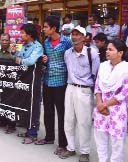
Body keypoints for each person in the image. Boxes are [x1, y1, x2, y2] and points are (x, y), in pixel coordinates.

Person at [59, 26, 100, 162]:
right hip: (70, 88)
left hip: (84, 90)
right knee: (68, 120)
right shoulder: (67, 53)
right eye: (73, 35)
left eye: (78, 35)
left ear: (84, 37)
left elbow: (96, 74)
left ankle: (85, 152)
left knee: (84, 122)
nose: (74, 37)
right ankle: (70, 148)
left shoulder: (92, 53)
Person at [38, 15, 72, 155]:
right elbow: (44, 59)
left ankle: (63, 143)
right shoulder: (45, 42)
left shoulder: (66, 42)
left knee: (62, 113)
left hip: (61, 82)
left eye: (46, 27)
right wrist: (44, 60)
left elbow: (71, 60)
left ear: (53, 28)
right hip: (47, 81)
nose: (44, 29)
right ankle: (49, 137)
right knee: (48, 111)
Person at [93, 39, 128, 162]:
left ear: (120, 53)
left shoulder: (126, 69)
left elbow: (124, 93)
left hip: (117, 110)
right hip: (101, 108)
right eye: (107, 49)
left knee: (117, 142)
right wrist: (99, 104)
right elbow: (97, 86)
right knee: (100, 138)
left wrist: (105, 105)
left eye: (111, 49)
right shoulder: (103, 66)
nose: (107, 51)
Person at [11, 23, 43, 145]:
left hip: (34, 80)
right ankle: (28, 129)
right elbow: (18, 57)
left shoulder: (37, 47)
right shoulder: (24, 45)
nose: (21, 35)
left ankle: (33, 133)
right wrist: (14, 53)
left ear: (29, 35)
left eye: (23, 33)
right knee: (25, 104)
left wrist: (20, 60)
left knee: (33, 106)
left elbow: (30, 61)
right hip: (24, 80)